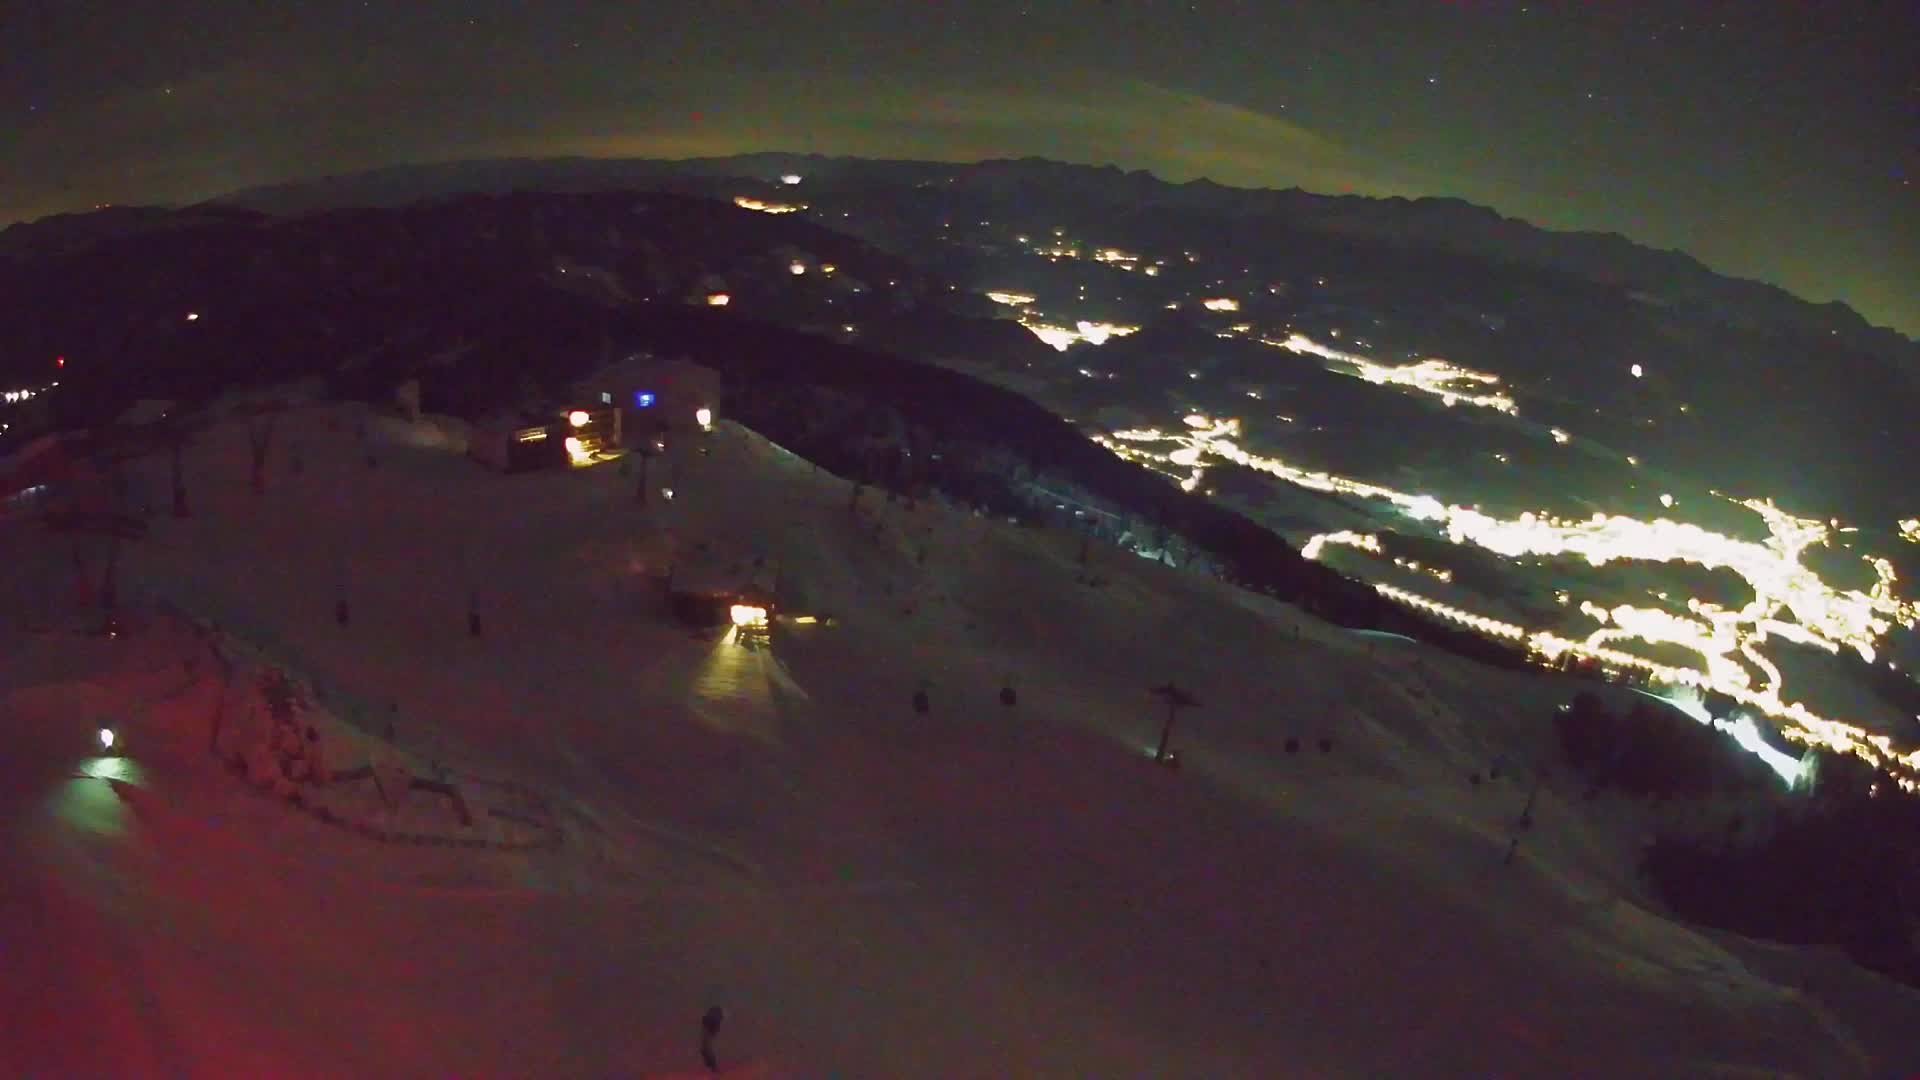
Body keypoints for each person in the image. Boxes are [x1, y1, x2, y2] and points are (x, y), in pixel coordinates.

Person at [700, 1005, 725, 1073]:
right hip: (709, 1031)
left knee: (706, 1048)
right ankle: (713, 1067)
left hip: (709, 1031)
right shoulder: (709, 1021)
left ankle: (713, 1068)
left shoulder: (713, 1022)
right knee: (706, 1048)